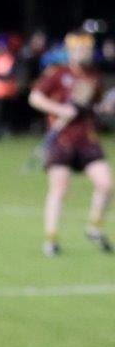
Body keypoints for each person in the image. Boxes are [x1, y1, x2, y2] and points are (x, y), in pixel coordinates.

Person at [29, 31, 114, 257]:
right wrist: (60, 110)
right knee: (59, 188)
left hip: (87, 139)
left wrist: (103, 110)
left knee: (106, 184)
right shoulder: (58, 74)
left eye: (85, 49)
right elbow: (35, 98)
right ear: (70, 51)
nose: (81, 53)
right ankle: (51, 239)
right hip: (61, 141)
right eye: (77, 49)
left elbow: (93, 107)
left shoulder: (94, 77)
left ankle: (94, 227)